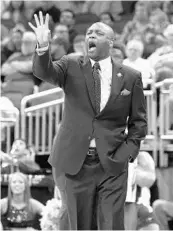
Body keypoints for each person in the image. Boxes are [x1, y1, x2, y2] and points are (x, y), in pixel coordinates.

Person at [29, 12, 147, 230]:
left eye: (98, 32)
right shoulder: (70, 64)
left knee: (111, 224)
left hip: (112, 162)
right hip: (75, 162)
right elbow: (43, 71)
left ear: (111, 42)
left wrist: (127, 153)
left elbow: (139, 123)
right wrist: (43, 45)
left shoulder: (131, 76)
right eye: (89, 32)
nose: (91, 35)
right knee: (79, 225)